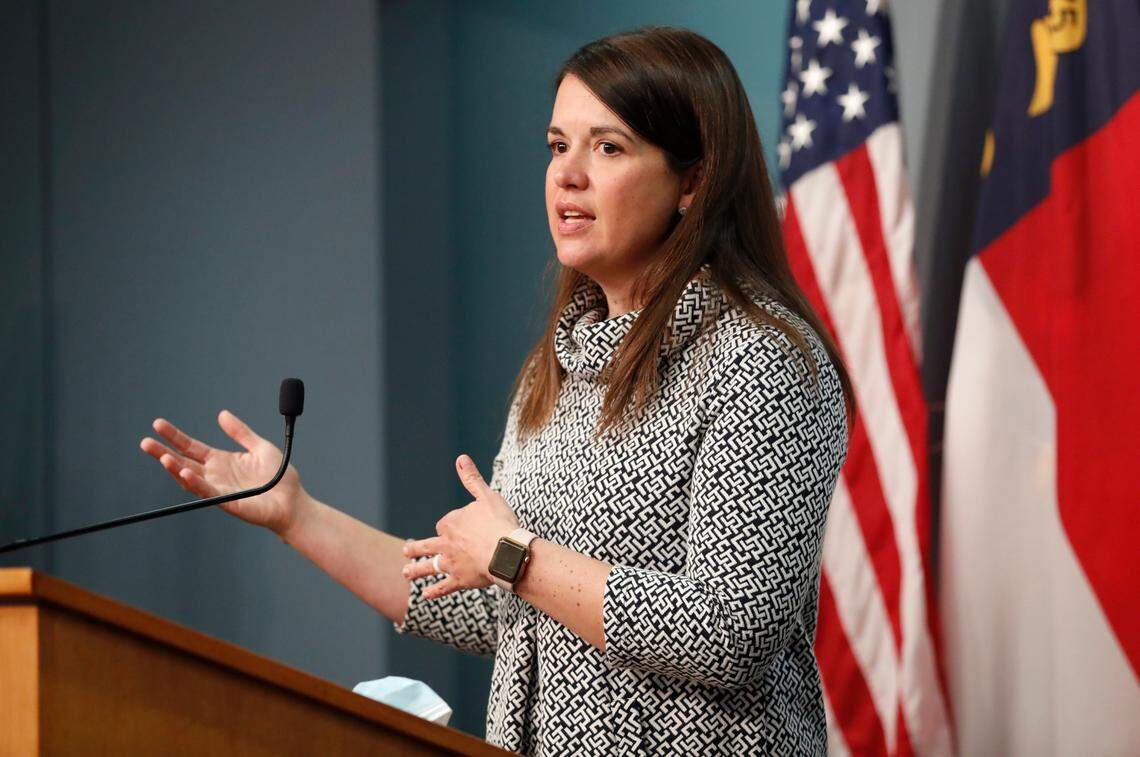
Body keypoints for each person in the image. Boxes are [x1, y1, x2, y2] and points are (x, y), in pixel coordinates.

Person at [140, 26, 853, 756]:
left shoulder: (762, 361)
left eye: (607, 147)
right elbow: (507, 611)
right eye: (556, 146)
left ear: (692, 181)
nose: (567, 175)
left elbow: (729, 629)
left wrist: (518, 556)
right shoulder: (559, 368)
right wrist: (299, 516)